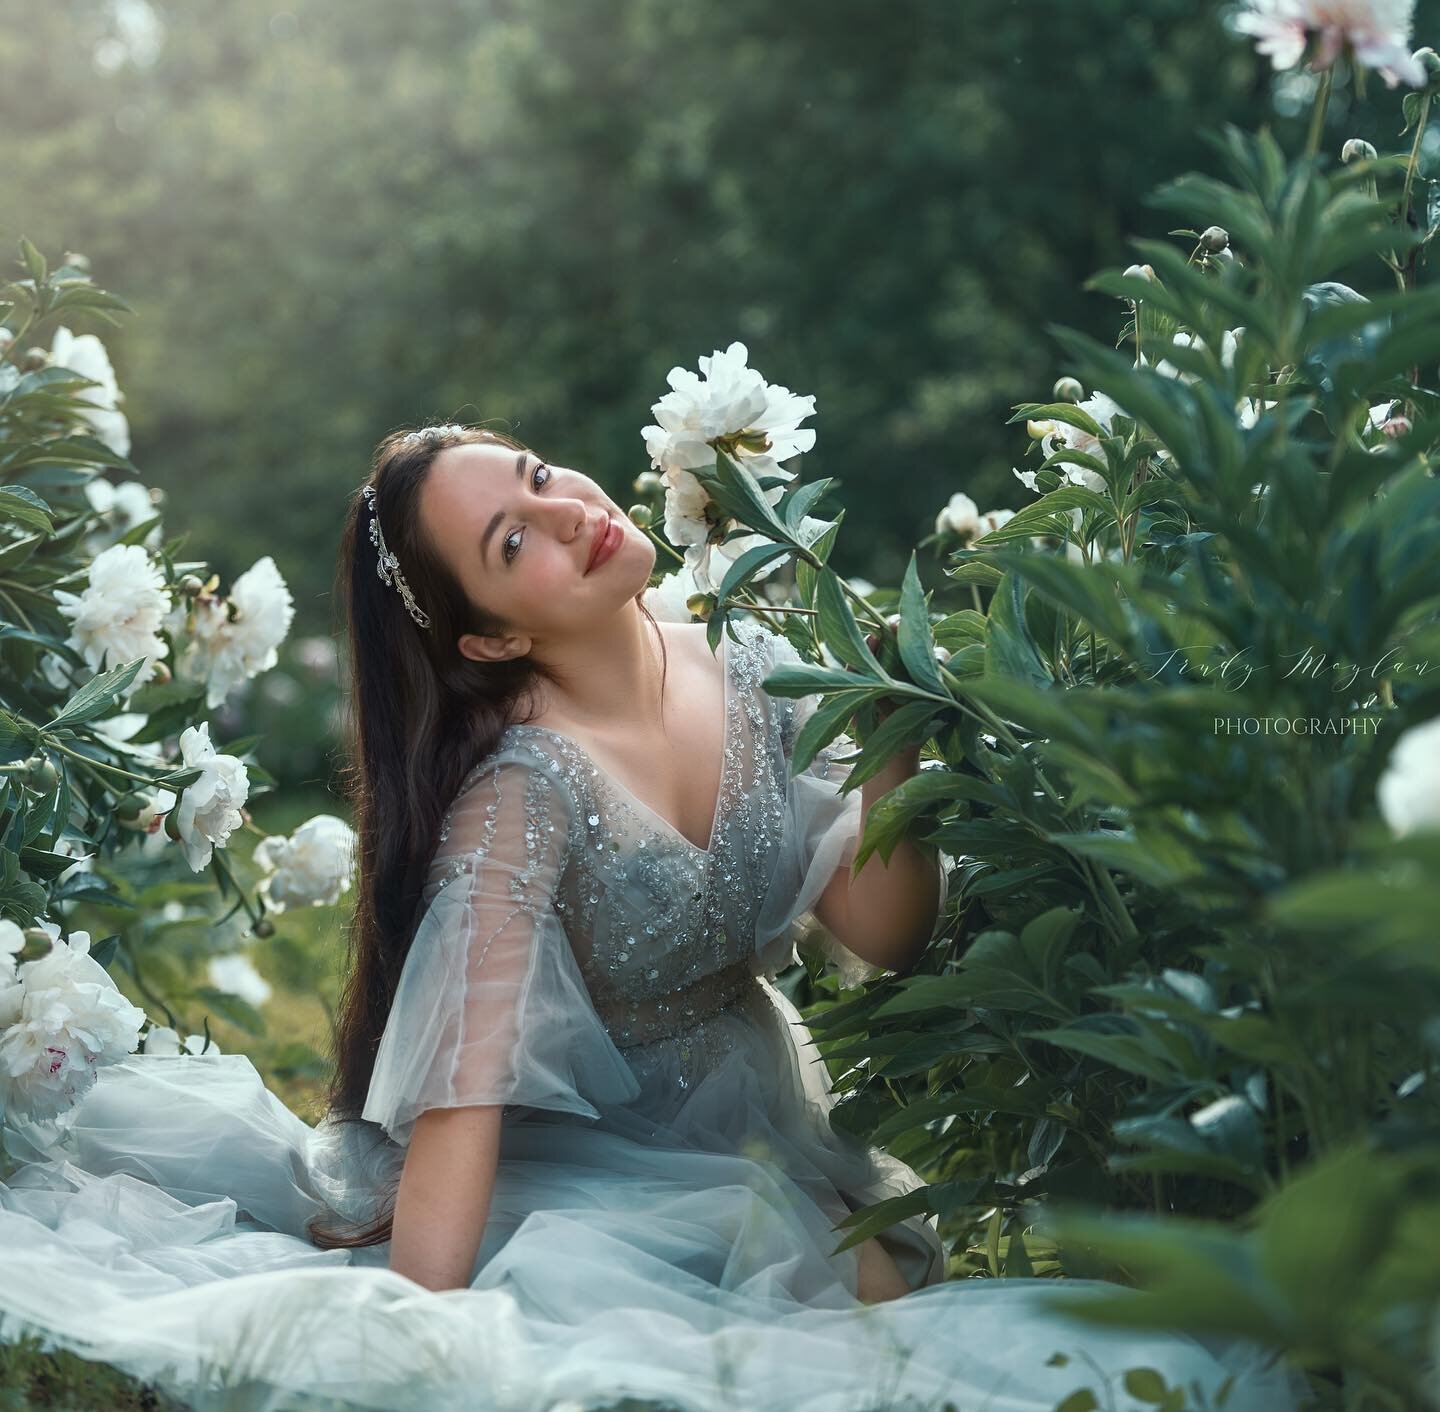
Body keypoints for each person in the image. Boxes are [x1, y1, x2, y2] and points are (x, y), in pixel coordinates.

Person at [0, 425, 1306, 1412]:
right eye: (514, 544)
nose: (566, 515)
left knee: (889, 1315)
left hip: (761, 1118)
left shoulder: (754, 648)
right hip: (596, 1171)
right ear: (494, 642)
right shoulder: (522, 795)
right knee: (852, 1358)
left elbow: (882, 934)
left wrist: (897, 745)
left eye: (539, 475)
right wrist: (413, 1324)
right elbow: (461, 1091)